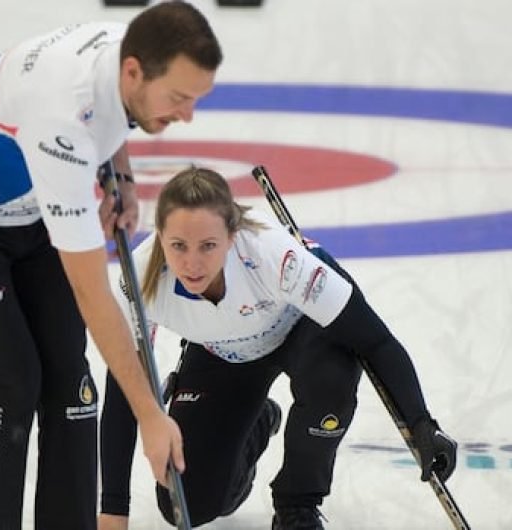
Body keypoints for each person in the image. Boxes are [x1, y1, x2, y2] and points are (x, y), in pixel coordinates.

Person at [0, 3, 223, 529]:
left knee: (72, 386)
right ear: (134, 71)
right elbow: (95, 295)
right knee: (12, 383)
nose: (187, 115)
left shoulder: (129, 49)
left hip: (32, 204)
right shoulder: (63, 122)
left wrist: (123, 180)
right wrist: (150, 415)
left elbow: (114, 122)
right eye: (180, 99)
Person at [97, 167, 457, 530]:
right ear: (160, 236)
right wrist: (114, 509)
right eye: (178, 246)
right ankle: (258, 422)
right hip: (223, 350)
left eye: (208, 245)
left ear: (232, 235)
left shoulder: (275, 257)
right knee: (184, 505)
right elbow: (125, 383)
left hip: (301, 327)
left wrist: (422, 423)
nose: (192, 263)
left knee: (332, 381)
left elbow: (374, 340)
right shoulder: (139, 278)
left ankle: (296, 503)